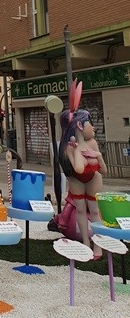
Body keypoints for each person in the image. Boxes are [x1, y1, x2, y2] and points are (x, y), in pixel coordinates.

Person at [58, 98, 107, 257]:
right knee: (80, 210)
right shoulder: (68, 148)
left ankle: (98, 244)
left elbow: (104, 170)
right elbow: (78, 169)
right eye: (89, 123)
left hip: (93, 178)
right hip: (76, 179)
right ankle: (86, 242)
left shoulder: (93, 143)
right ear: (80, 126)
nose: (93, 127)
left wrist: (98, 155)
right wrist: (76, 149)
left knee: (95, 210)